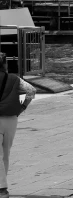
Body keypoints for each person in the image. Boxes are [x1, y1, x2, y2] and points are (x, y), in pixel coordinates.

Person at [0, 52, 36, 198]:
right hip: (11, 119)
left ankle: (2, 188)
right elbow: (31, 91)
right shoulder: (14, 79)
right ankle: (2, 186)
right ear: (4, 64)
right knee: (5, 153)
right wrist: (22, 107)